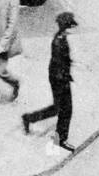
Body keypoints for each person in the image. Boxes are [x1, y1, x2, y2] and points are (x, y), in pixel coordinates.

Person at [22, 11, 78, 150]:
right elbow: (58, 63)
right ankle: (60, 140)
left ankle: (29, 118)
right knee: (66, 110)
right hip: (59, 80)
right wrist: (64, 80)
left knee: (57, 109)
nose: (72, 29)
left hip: (59, 78)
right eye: (70, 26)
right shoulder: (59, 41)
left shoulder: (61, 38)